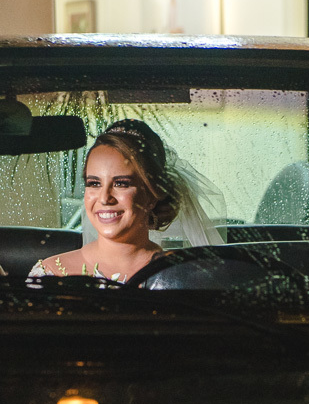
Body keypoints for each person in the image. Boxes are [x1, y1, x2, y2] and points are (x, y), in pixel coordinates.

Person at [28, 118, 223, 283]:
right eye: (94, 183)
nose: (104, 198)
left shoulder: (182, 276)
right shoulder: (48, 274)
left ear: (152, 195)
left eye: (121, 183)